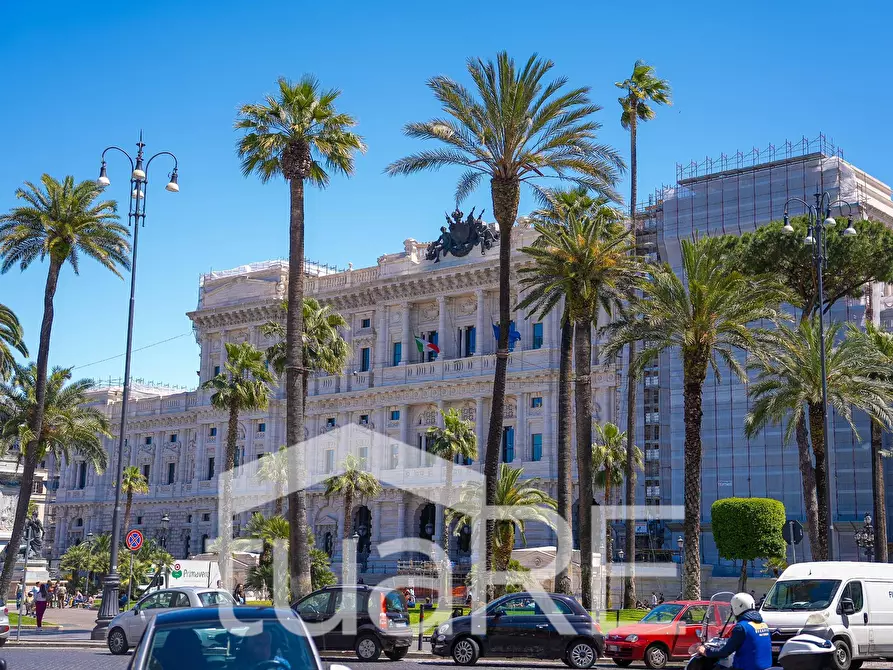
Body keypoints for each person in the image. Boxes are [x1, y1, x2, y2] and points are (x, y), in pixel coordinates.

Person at [697, 592, 772, 670]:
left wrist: (706, 651)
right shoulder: (763, 625)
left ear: (737, 607)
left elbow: (724, 652)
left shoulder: (741, 627)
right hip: (765, 667)